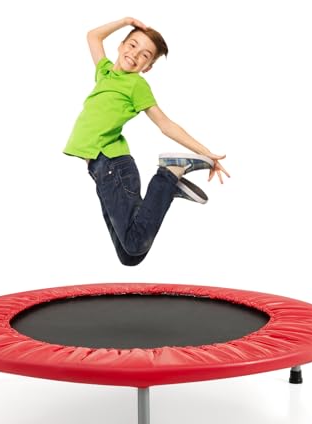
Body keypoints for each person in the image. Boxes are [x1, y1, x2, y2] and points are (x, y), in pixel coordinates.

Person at [64, 17, 230, 266]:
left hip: (113, 167)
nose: (134, 55)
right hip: (99, 171)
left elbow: (165, 124)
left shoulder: (135, 85)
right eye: (132, 45)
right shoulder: (105, 73)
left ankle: (168, 175)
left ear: (148, 67)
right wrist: (126, 21)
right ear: (121, 45)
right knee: (129, 256)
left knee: (134, 244)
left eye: (144, 55)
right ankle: (166, 189)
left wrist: (206, 153)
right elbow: (93, 36)